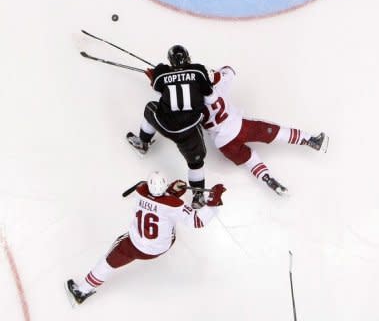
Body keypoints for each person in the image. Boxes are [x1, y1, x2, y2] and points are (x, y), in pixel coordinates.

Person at [65, 171, 226, 306]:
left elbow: (155, 199)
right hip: (161, 247)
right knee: (168, 221)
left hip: (135, 245)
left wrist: (171, 190)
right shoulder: (174, 204)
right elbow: (197, 221)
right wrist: (213, 203)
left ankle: (82, 291)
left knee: (109, 261)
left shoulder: (140, 192)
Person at [202, 66, 329, 195]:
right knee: (277, 132)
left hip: (224, 145)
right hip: (239, 127)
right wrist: (215, 76)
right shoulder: (215, 88)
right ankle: (311, 140)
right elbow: (230, 71)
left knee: (250, 160)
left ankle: (268, 179)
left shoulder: (189, 105)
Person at [127, 45, 217, 209]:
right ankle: (197, 195)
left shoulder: (161, 72)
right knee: (195, 163)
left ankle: (143, 143)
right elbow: (211, 98)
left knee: (151, 108)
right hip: (189, 128)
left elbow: (158, 90)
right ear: (188, 57)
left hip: (166, 125)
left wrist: (154, 77)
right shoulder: (198, 71)